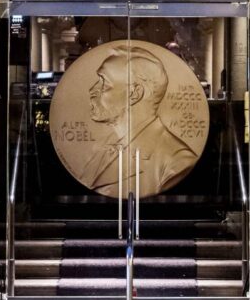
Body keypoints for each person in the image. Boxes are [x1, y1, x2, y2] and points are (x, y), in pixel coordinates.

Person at [79, 45, 198, 197]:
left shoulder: (178, 163)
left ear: (135, 94)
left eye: (104, 82)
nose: (92, 90)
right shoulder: (103, 146)